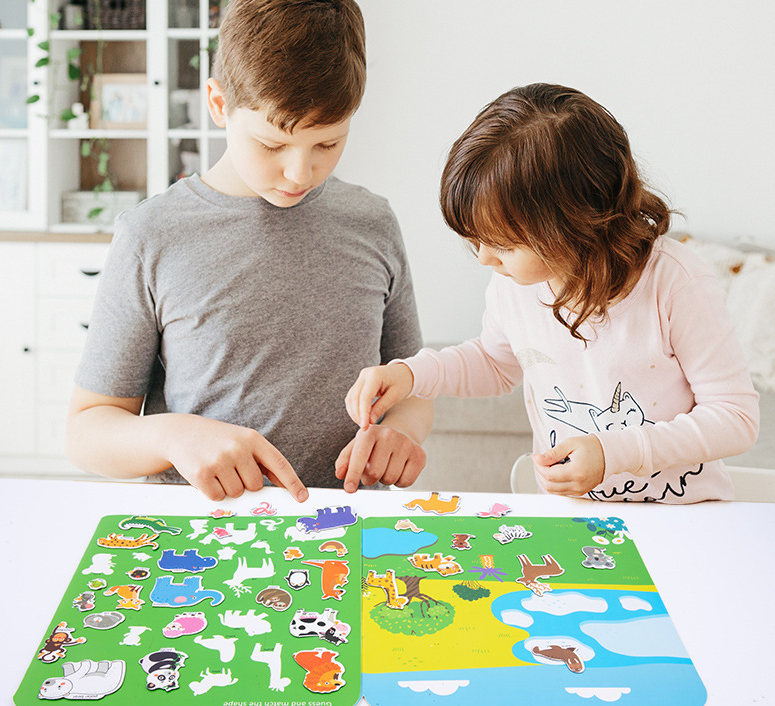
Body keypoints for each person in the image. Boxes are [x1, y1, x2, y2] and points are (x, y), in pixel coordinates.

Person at [66, 0, 432, 503]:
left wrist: (401, 432)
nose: (300, 173)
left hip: (345, 530)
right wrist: (174, 435)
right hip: (203, 533)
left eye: (327, 144)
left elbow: (414, 385)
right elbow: (86, 432)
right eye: (272, 144)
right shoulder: (151, 235)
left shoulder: (373, 223)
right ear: (219, 104)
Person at [346, 83, 759, 503]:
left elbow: (736, 417)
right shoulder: (514, 285)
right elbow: (494, 362)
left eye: (504, 245)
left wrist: (613, 453)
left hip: (684, 517)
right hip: (574, 520)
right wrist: (411, 374)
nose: (485, 258)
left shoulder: (676, 283)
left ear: (573, 224)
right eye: (476, 241)